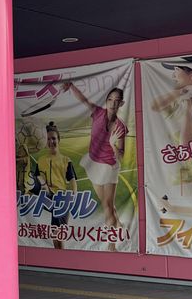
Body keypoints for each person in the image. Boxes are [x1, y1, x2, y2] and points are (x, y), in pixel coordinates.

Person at [62, 81, 127, 250]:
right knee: (107, 204)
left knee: (107, 206)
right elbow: (84, 100)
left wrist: (113, 145)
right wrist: (71, 87)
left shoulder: (120, 127)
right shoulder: (98, 113)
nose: (113, 103)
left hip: (109, 167)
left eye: (117, 101)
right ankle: (118, 224)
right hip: (93, 162)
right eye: (110, 99)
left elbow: (121, 156)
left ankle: (112, 244)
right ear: (106, 101)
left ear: (121, 104)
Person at [150, 56, 192, 146]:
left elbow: (188, 145)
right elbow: (154, 106)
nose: (173, 76)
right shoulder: (177, 98)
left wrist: (188, 109)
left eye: (177, 70)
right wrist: (182, 91)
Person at [30, 121, 77, 249]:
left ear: (58, 140)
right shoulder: (41, 160)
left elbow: (72, 181)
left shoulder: (66, 160)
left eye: (54, 138)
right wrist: (40, 187)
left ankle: (61, 259)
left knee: (57, 236)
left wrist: (72, 197)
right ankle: (60, 259)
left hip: (61, 200)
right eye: (48, 139)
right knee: (29, 177)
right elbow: (36, 178)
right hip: (47, 196)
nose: (51, 141)